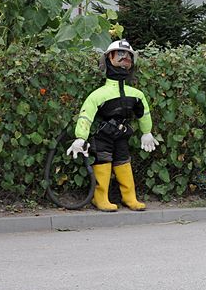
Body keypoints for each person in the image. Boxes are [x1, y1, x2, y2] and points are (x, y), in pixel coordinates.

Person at [65, 40, 159, 211]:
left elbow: (143, 113)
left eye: (129, 56)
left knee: (124, 162)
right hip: (103, 137)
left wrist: (147, 132)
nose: (126, 59)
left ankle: (130, 198)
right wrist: (80, 137)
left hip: (122, 136)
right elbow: (86, 116)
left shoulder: (136, 95)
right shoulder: (98, 95)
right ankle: (100, 198)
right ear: (109, 58)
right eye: (121, 54)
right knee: (103, 162)